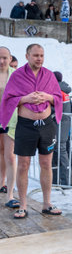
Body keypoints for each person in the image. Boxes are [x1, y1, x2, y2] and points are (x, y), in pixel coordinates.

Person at [0, 43, 63, 219]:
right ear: (27, 56)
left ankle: (47, 203)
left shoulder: (49, 75)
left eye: (42, 55)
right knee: (23, 165)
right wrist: (24, 99)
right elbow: (8, 98)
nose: (39, 59)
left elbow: (58, 97)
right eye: (35, 55)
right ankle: (23, 205)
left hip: (46, 125)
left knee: (45, 164)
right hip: (25, 125)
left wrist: (48, 97)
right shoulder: (18, 76)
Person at [0, 47, 19, 209]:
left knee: (10, 156)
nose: (1, 61)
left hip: (11, 121)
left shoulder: (16, 75)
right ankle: (2, 182)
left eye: (5, 58)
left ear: (10, 58)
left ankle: (10, 195)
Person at [51, 71, 72, 186]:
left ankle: (65, 181)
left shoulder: (57, 91)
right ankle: (58, 180)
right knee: (59, 151)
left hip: (59, 124)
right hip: (63, 124)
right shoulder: (64, 90)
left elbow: (54, 109)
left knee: (60, 151)